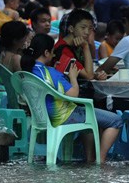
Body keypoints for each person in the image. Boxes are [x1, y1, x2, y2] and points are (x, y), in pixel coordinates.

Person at [20, 33, 122, 163]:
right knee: (116, 120)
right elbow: (73, 95)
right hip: (63, 116)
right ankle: (100, 160)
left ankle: (90, 158)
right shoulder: (51, 73)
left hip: (41, 116)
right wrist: (73, 77)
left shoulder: (28, 71)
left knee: (89, 119)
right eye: (52, 52)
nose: (54, 55)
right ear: (46, 53)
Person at [51, 9, 96, 80]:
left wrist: (97, 75)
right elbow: (89, 76)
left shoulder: (76, 45)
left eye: (90, 28)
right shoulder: (63, 50)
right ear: (71, 29)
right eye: (83, 27)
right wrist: (86, 47)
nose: (87, 32)